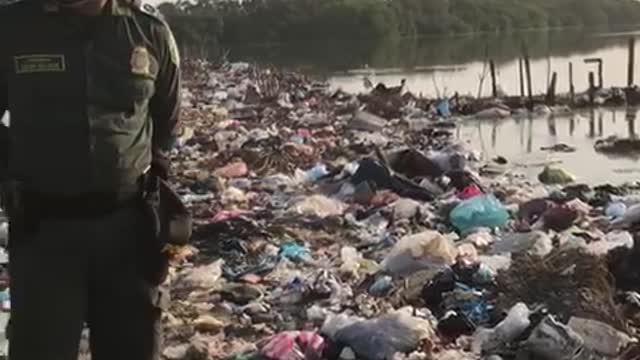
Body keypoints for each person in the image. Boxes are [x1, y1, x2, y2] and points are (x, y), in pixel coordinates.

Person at [0, 0, 181, 358]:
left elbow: (166, 121)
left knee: (133, 348)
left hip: (128, 231)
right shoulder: (13, 27)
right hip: (44, 231)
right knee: (41, 348)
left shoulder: (149, 30)